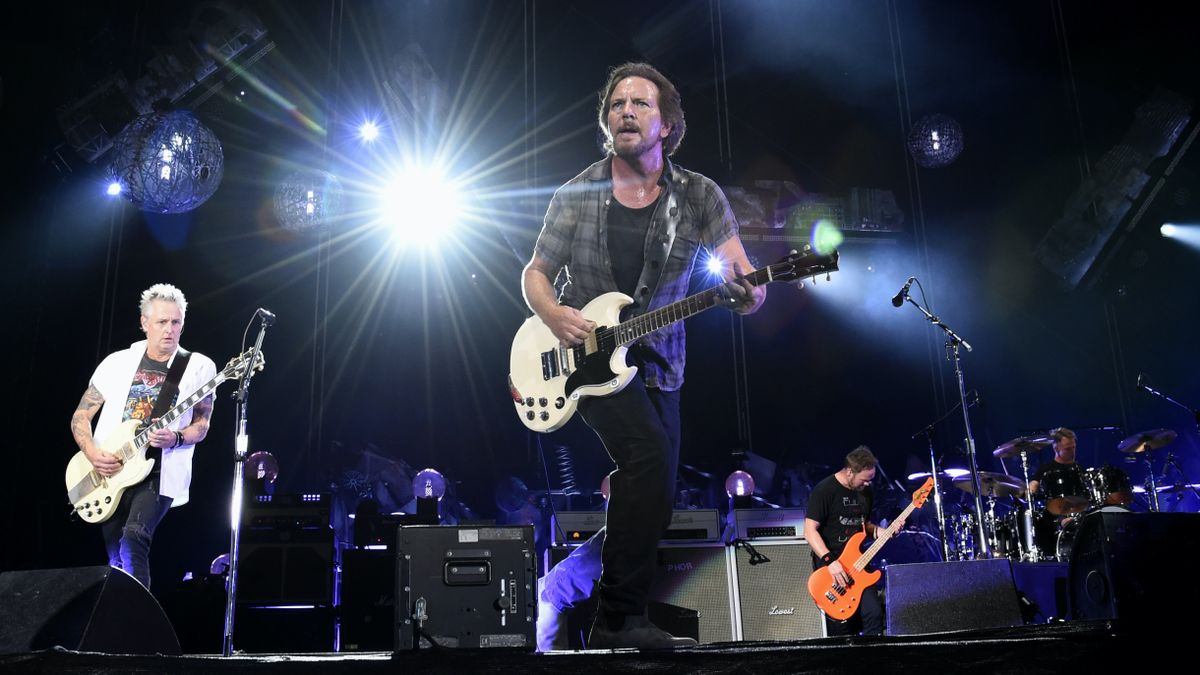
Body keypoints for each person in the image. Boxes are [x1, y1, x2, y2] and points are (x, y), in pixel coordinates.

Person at [522, 62, 764, 649]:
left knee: (653, 503)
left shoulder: (699, 195)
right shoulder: (577, 192)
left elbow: (747, 284)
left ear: (667, 123)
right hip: (589, 361)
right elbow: (535, 274)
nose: (626, 111)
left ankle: (565, 588)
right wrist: (555, 316)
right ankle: (618, 620)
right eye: (616, 104)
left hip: (662, 365)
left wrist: (749, 291)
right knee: (648, 456)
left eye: (641, 104)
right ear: (607, 122)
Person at [69, 283, 217, 589]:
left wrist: (175, 437)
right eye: (162, 322)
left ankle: (141, 625)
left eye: (176, 322)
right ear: (144, 323)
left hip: (159, 468)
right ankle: (121, 624)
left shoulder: (199, 366)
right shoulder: (116, 362)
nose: (169, 329)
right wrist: (93, 453)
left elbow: (202, 425)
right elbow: (81, 416)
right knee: (115, 558)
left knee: (134, 536)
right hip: (110, 470)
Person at [804, 446, 898, 637]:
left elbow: (865, 526)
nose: (867, 484)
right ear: (849, 472)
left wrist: (882, 532)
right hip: (832, 568)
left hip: (859, 566)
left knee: (873, 614)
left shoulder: (866, 492)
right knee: (842, 627)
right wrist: (831, 561)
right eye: (864, 480)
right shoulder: (824, 490)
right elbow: (809, 530)